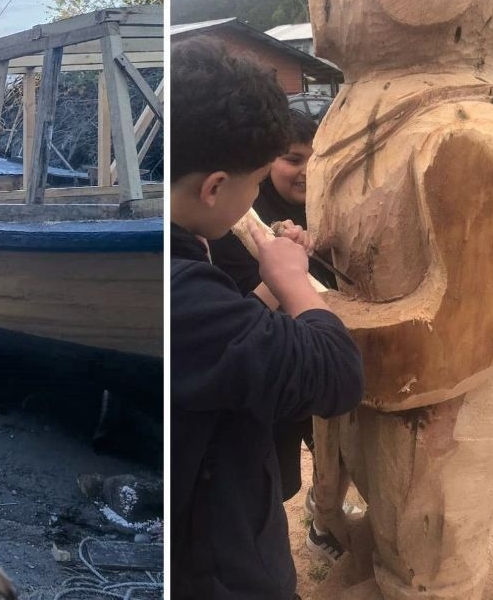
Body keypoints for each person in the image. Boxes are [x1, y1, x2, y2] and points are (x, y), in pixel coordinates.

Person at [170, 37, 363, 599]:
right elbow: (336, 373)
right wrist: (294, 283)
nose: (258, 193)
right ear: (213, 188)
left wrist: (268, 288)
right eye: (256, 181)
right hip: (219, 566)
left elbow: (225, 342)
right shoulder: (184, 289)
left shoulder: (184, 258)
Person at [208, 109, 361, 564]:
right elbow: (237, 322)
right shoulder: (237, 221)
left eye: (316, 161)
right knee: (271, 480)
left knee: (340, 452)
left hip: (317, 350)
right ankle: (258, 557)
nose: (305, 172)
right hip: (278, 368)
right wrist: (279, 269)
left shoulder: (320, 204)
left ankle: (322, 520)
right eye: (293, 159)